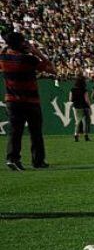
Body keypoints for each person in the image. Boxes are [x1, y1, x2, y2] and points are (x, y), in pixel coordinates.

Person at [1, 30, 54, 170]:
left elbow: (4, 50)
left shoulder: (3, 57)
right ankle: (38, 161)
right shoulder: (28, 59)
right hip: (30, 101)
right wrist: (36, 52)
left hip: (12, 100)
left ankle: (12, 158)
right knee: (35, 132)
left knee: (15, 131)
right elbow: (50, 68)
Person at [70, 75, 91, 142]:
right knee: (85, 122)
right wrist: (90, 106)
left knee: (77, 121)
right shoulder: (84, 90)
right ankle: (86, 136)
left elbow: (70, 99)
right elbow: (86, 100)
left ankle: (76, 135)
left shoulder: (72, 90)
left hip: (76, 107)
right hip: (84, 107)